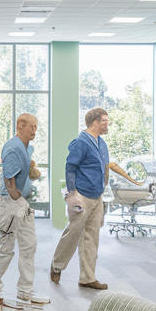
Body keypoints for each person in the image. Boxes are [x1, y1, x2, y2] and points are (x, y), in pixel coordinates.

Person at [0, 113, 48, 306]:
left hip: (21, 200)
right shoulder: (13, 147)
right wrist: (15, 202)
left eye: (36, 127)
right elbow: (9, 181)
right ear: (20, 126)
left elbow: (26, 169)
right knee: (7, 246)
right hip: (8, 201)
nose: (34, 130)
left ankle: (25, 292)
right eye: (32, 126)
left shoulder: (27, 147)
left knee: (29, 245)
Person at [49, 107, 112, 290]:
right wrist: (73, 193)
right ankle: (57, 265)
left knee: (92, 237)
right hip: (81, 196)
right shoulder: (81, 142)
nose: (107, 125)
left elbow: (104, 167)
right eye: (104, 121)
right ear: (94, 122)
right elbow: (70, 168)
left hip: (97, 195)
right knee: (73, 233)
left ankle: (87, 277)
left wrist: (104, 187)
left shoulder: (102, 144)